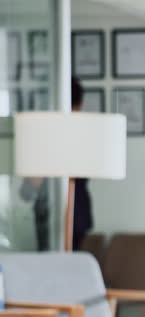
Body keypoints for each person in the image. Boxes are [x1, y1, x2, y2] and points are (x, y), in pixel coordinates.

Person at [19, 77, 93, 251]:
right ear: (80, 104)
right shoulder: (46, 137)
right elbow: (27, 191)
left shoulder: (82, 136)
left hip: (73, 217)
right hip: (51, 217)